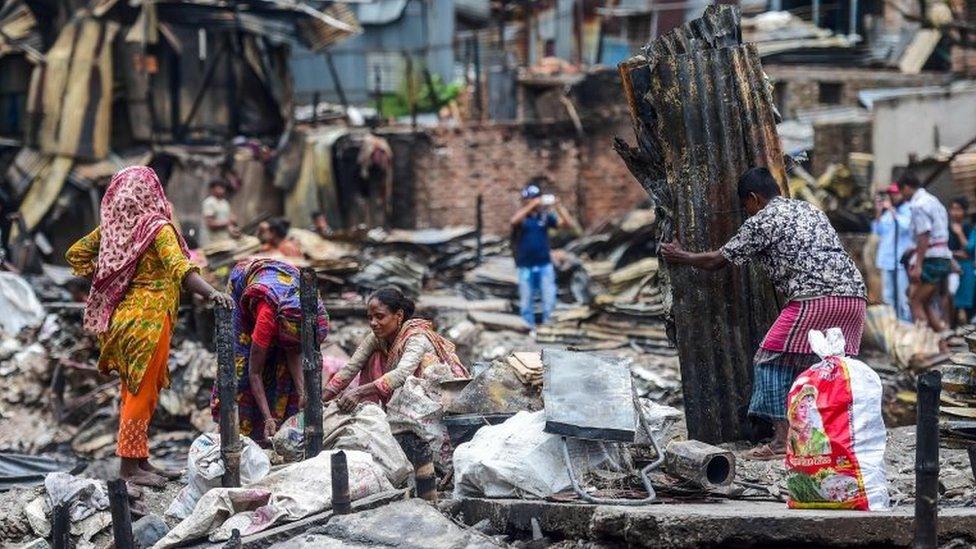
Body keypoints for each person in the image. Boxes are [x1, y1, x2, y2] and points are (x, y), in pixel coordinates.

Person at [661, 167, 866, 460]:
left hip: (814, 299)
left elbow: (718, 260)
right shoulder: (810, 210)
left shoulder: (763, 221)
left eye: (746, 206)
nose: (747, 212)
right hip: (855, 298)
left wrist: (682, 256)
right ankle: (833, 437)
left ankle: (782, 442)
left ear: (754, 199)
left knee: (768, 360)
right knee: (827, 367)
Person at [66, 166, 232, 488]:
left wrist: (110, 279)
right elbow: (181, 268)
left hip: (122, 321)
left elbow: (76, 255)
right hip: (150, 321)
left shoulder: (115, 230)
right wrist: (213, 293)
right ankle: (129, 469)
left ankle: (140, 459)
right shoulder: (157, 228)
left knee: (137, 392)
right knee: (141, 395)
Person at [323, 288, 469, 472]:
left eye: (379, 317)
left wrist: (359, 392)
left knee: (416, 370)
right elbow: (351, 367)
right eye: (370, 318)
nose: (373, 323)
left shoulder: (417, 337)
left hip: (432, 402)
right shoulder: (378, 338)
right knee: (372, 359)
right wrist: (322, 399)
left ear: (398, 315)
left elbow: (402, 374)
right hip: (403, 401)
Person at [209, 259, 329, 445]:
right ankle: (239, 435)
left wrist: (303, 391)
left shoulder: (308, 311)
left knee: (283, 372)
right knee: (239, 369)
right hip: (247, 287)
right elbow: (254, 372)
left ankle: (278, 431)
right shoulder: (268, 317)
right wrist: (267, 417)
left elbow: (293, 349)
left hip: (283, 282)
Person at [898, 173, 953, 341]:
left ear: (906, 187)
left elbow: (924, 234)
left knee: (915, 301)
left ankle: (925, 343)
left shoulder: (918, 205)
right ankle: (942, 342)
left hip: (931, 258)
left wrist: (919, 264)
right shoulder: (933, 201)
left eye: (902, 191)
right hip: (942, 255)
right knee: (925, 302)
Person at [510, 180, 570, 332]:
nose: (535, 201)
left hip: (544, 264)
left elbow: (567, 225)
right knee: (526, 300)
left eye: (536, 197)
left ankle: (548, 326)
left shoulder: (544, 217)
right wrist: (531, 205)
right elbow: (513, 221)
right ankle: (528, 327)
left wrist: (558, 206)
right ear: (525, 201)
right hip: (525, 265)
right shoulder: (523, 217)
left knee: (549, 298)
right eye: (531, 198)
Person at [871, 183, 913, 322]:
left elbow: (906, 227)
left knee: (903, 298)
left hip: (900, 261)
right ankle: (893, 326)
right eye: (891, 194)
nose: (893, 196)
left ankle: (906, 326)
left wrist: (893, 212)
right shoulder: (888, 213)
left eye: (895, 193)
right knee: (888, 297)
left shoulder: (908, 209)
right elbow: (878, 231)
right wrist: (878, 212)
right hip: (887, 260)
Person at [949, 197, 975, 324]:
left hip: (966, 268)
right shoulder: (946, 228)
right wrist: (954, 254)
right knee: (951, 299)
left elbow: (969, 249)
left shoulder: (968, 228)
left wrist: (959, 233)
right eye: (953, 209)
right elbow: (946, 249)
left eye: (958, 209)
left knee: (967, 301)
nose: (955, 212)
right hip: (950, 267)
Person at [200, 179, 238, 246]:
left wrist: (233, 229)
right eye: (219, 188)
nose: (222, 190)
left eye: (223, 188)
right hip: (212, 242)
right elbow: (210, 224)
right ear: (212, 189)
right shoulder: (209, 202)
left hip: (225, 240)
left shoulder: (225, 203)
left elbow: (229, 221)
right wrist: (228, 222)